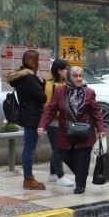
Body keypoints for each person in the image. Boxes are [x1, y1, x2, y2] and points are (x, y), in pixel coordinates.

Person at [37, 66, 107, 194]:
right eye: (75, 76)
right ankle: (82, 174)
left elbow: (96, 113)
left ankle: (80, 184)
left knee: (82, 159)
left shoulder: (89, 92)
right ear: (69, 77)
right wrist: (42, 125)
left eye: (81, 76)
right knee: (62, 153)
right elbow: (50, 110)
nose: (79, 78)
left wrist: (100, 128)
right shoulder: (59, 91)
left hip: (85, 132)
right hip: (65, 132)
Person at [5, 49, 48, 190]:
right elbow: (42, 97)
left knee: (28, 148)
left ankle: (29, 177)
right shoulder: (29, 78)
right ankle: (28, 179)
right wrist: (41, 84)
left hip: (27, 115)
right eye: (38, 60)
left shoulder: (23, 78)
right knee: (29, 148)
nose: (40, 62)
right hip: (32, 116)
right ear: (33, 61)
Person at [43, 59, 74, 187]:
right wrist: (62, 112)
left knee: (56, 148)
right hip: (54, 122)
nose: (68, 71)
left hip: (61, 121)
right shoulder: (50, 85)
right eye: (65, 69)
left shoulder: (63, 83)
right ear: (59, 70)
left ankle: (52, 174)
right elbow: (47, 105)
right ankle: (60, 176)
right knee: (58, 149)